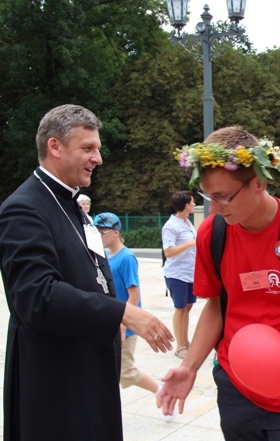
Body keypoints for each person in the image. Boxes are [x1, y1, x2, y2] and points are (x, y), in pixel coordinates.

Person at [159, 126, 280, 440]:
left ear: (259, 183)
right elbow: (217, 306)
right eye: (209, 197)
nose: (214, 208)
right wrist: (190, 366)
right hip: (236, 391)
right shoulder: (213, 233)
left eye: (222, 197)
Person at [0, 104, 173, 440]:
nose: (99, 158)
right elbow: (37, 296)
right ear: (55, 147)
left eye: (97, 148)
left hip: (85, 368)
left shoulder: (70, 204)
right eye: (88, 148)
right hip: (56, 381)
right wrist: (122, 311)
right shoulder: (23, 208)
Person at [95, 212, 161, 395]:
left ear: (116, 232)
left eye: (103, 232)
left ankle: (160, 392)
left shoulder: (126, 257)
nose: (100, 236)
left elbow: (134, 296)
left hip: (126, 324)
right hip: (112, 321)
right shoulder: (106, 257)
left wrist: (123, 323)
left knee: (126, 371)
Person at [162, 190, 197, 359]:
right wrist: (191, 243)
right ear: (186, 205)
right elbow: (168, 252)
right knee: (180, 309)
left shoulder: (188, 223)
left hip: (190, 273)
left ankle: (185, 341)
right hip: (177, 274)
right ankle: (180, 346)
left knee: (188, 308)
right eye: (193, 202)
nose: (195, 205)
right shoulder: (171, 226)